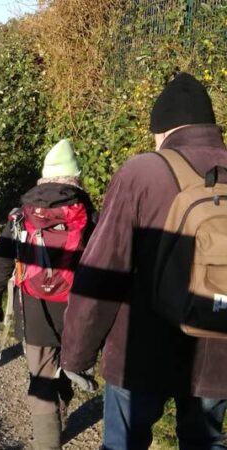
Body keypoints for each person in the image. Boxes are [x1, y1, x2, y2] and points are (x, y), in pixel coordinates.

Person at [61, 72, 227, 450]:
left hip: (141, 352)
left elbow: (103, 272)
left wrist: (77, 353)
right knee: (206, 443)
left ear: (163, 128)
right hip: (219, 347)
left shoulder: (142, 172)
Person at [0, 139, 95, 450]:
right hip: (79, 309)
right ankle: (59, 412)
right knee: (69, 363)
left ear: (44, 176)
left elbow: (1, 261)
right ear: (75, 177)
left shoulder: (22, 215)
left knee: (41, 376)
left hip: (34, 310)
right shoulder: (88, 214)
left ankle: (47, 441)